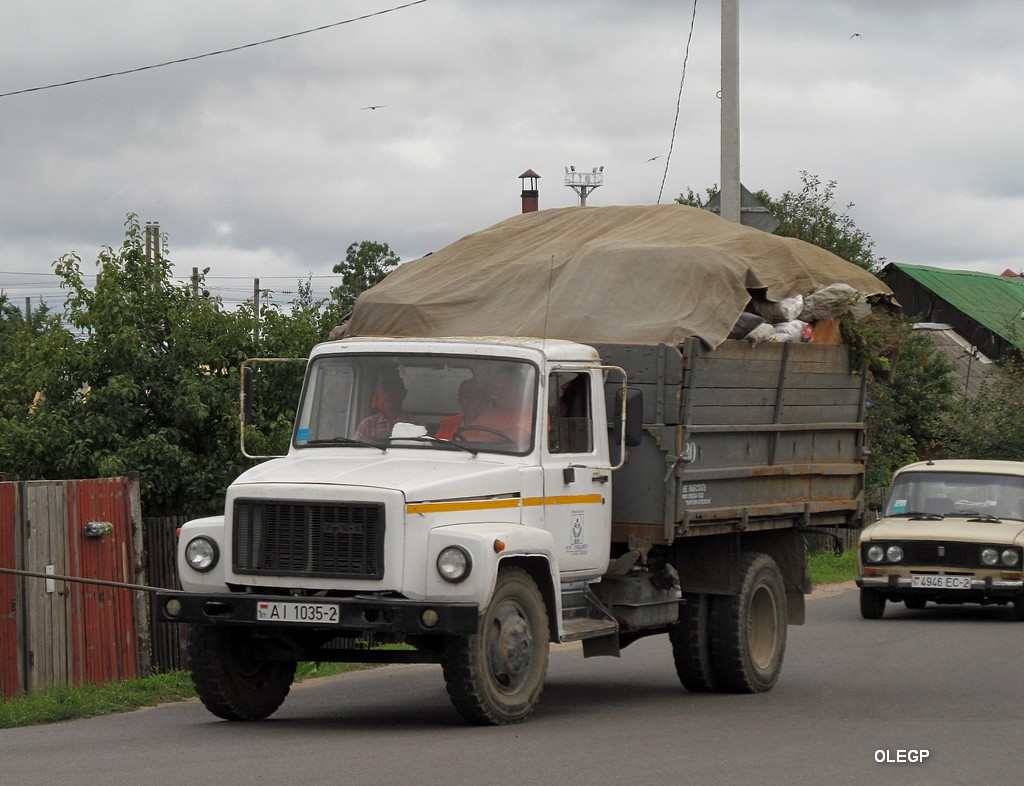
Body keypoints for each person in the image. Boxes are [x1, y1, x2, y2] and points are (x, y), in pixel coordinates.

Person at [459, 365, 534, 448]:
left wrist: (475, 440)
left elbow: (516, 435)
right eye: (495, 388)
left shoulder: (533, 414)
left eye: (504, 388)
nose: (497, 393)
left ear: (521, 390)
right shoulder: (486, 416)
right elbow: (462, 438)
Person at [354, 377, 415, 442]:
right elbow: (355, 449)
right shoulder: (367, 424)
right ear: (378, 393)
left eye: (394, 390)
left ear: (404, 393)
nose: (389, 395)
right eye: (385, 390)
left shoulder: (416, 424)